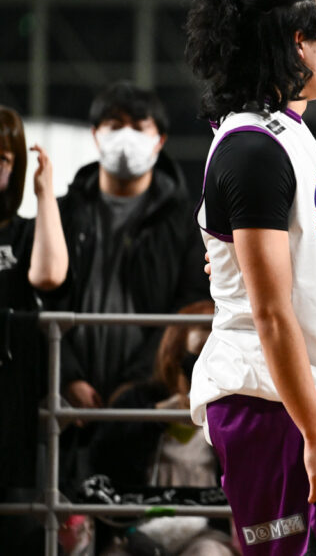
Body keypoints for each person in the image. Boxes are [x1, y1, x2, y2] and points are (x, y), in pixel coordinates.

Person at [186, 0, 316, 555]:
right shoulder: (252, 149)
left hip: (299, 399)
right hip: (265, 403)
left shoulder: (291, 131)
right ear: (297, 41)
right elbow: (271, 313)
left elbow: (314, 280)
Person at [52, 82, 209, 411]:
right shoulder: (62, 214)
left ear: (159, 140)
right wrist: (68, 376)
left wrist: (138, 382)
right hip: (67, 397)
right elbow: (44, 297)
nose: (126, 136)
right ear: (96, 135)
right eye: (115, 125)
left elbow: (188, 306)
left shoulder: (184, 222)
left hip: (145, 396)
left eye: (138, 127)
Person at [91, 301, 234, 556]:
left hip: (206, 529)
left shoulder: (233, 407)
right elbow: (104, 457)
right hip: (137, 527)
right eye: (201, 347)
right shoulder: (138, 399)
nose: (210, 358)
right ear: (176, 350)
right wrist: (156, 417)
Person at [0, 105, 68, 554]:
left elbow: (48, 275)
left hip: (13, 400)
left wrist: (44, 196)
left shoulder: (23, 232)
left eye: (2, 159)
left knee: (18, 530)